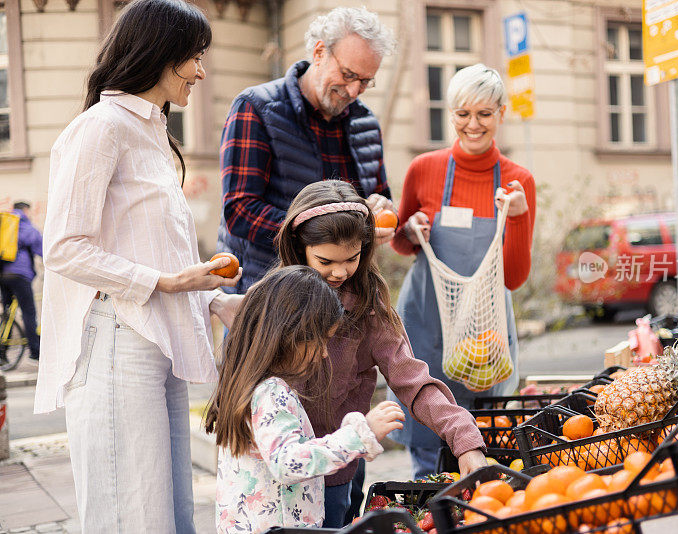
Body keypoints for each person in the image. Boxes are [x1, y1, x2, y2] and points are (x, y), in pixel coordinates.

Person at [34, 1, 243, 531]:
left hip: (155, 342)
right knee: (134, 515)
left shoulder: (154, 133)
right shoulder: (101, 127)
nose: (201, 70)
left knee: (169, 512)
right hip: (116, 341)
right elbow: (63, 246)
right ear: (160, 53)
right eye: (194, 57)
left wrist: (214, 299)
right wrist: (167, 282)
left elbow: (157, 251)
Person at [274, 180, 487, 527]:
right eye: (326, 261)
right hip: (273, 480)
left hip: (337, 475)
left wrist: (464, 439)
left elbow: (413, 381)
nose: (341, 272)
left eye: (352, 259)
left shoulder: (368, 308)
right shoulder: (272, 302)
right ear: (299, 247)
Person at [389, 64, 536, 478]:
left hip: (484, 332)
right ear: (449, 114)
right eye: (462, 114)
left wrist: (519, 217)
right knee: (424, 424)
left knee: (479, 438)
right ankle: (428, 506)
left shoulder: (518, 180)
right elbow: (400, 241)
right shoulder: (424, 168)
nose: (473, 125)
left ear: (501, 114)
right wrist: (412, 230)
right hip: (426, 322)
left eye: (484, 114)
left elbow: (513, 278)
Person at [205, 265, 404, 532]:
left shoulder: (248, 381)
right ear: (290, 335)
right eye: (320, 341)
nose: (323, 353)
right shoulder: (271, 392)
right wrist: (359, 435)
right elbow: (289, 462)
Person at [216, 6, 396, 294]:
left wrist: (382, 210)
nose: (353, 91)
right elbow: (240, 210)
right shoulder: (256, 108)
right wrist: (319, 234)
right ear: (319, 52)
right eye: (348, 74)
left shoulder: (366, 122)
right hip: (269, 290)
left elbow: (381, 194)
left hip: (345, 294)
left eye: (364, 81)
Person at [0, 201, 42, 364]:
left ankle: (2, 351)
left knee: (8, 311)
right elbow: (44, 249)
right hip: (20, 275)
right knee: (28, 312)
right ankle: (34, 352)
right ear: (25, 210)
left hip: (2, 273)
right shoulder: (25, 225)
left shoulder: (6, 224)